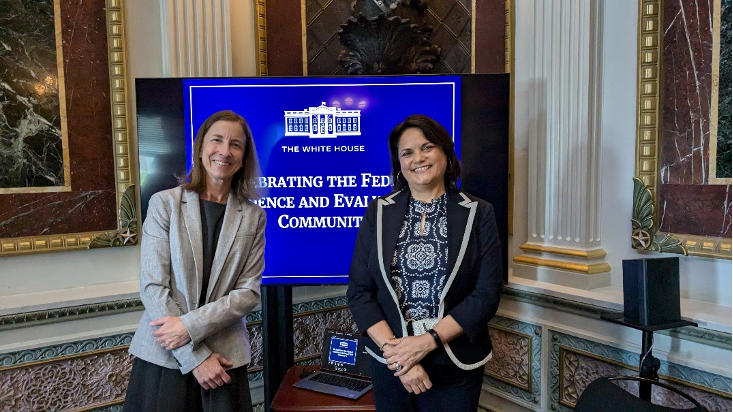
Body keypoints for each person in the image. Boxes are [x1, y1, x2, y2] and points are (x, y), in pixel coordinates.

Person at [347, 114, 503, 411]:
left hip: (456, 363)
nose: (418, 158)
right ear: (399, 163)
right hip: (392, 364)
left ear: (445, 152)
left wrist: (426, 342)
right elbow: (359, 292)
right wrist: (400, 358)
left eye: (427, 147)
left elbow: (486, 294)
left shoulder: (479, 212)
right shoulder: (378, 212)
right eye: (407, 152)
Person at [124, 110, 265, 412]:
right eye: (217, 140)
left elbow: (248, 293)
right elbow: (152, 287)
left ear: (243, 157)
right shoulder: (165, 204)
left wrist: (187, 328)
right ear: (201, 148)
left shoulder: (254, 217)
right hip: (165, 357)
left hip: (225, 362)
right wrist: (195, 356)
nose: (225, 151)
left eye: (236, 145)